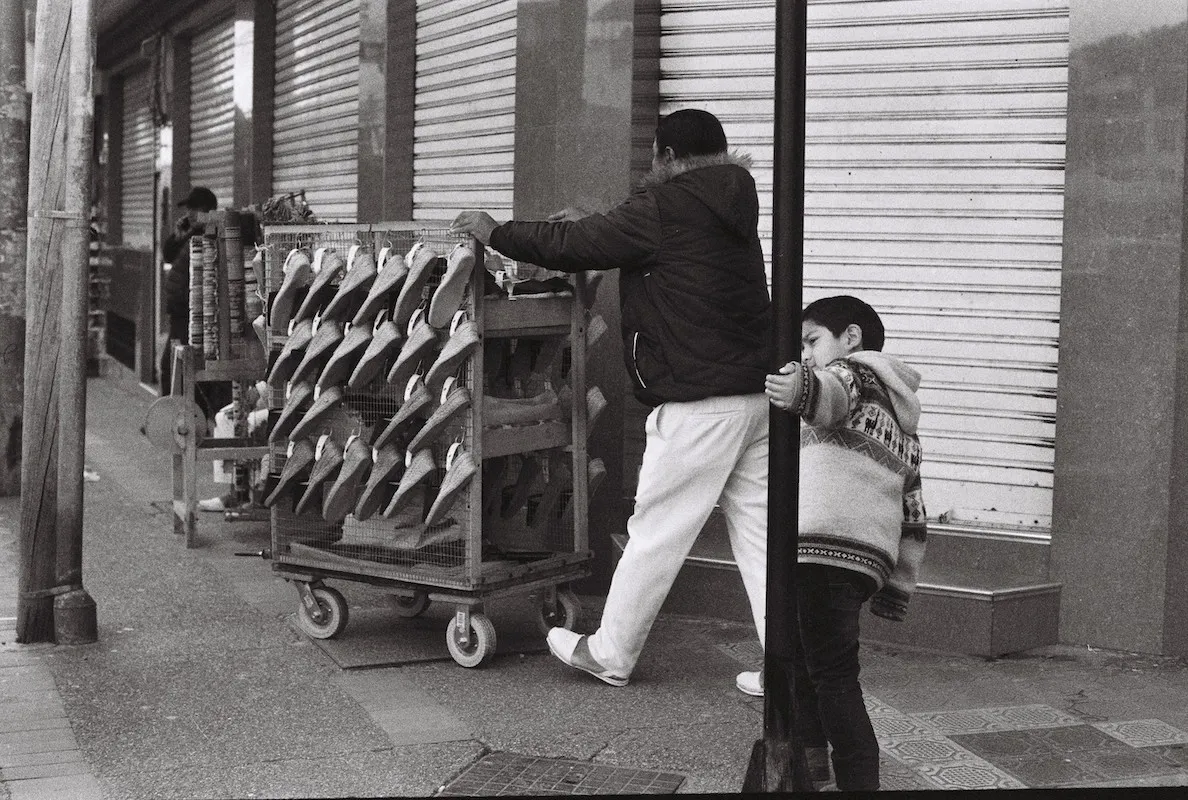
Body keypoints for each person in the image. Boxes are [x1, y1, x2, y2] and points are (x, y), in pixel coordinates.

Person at [451, 109, 771, 688]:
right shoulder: (731, 202)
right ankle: (791, 666)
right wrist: (600, 227)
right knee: (761, 538)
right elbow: (630, 240)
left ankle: (612, 653)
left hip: (698, 402)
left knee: (655, 530)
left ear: (666, 157)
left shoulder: (668, 205)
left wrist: (496, 231)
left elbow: (579, 243)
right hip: (753, 397)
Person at [759, 294, 927, 792]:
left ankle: (857, 780)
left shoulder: (858, 374)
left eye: (812, 341)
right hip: (860, 560)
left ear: (850, 338)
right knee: (812, 667)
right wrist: (896, 586)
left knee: (830, 675)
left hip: (824, 549)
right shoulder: (904, 423)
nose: (807, 353)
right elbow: (913, 512)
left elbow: (827, 395)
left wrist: (796, 387)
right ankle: (813, 771)